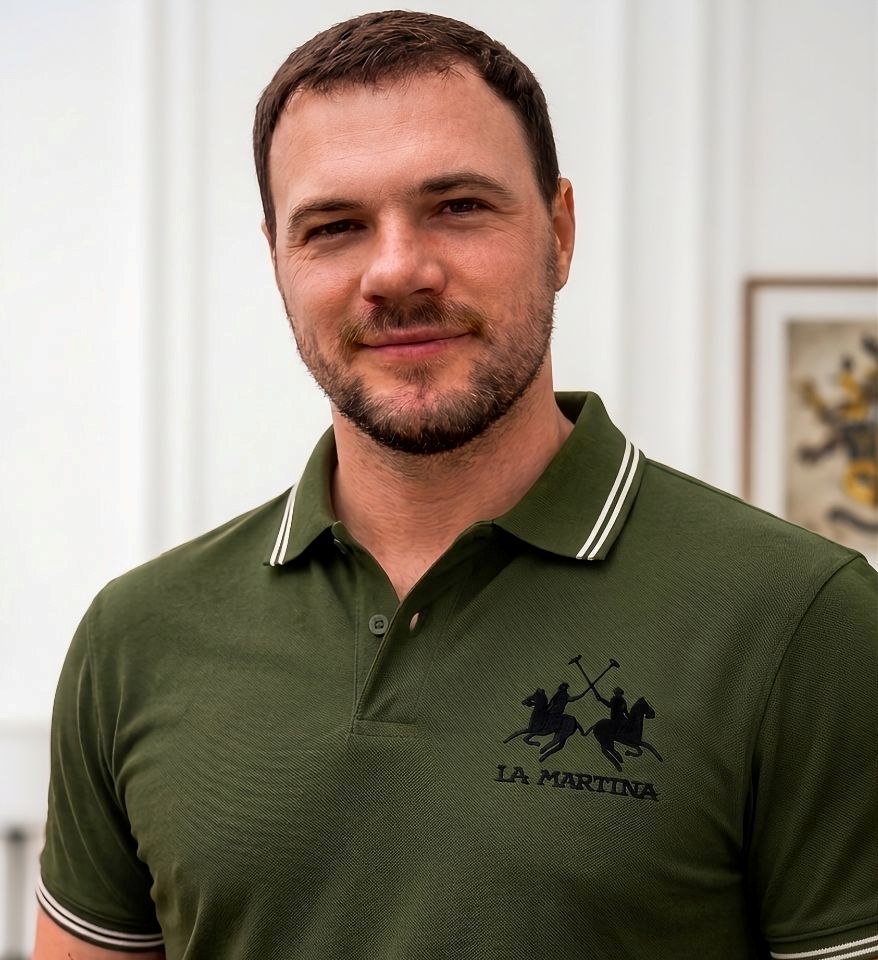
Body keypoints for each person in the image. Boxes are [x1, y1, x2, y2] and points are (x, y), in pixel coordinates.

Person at [34, 10, 877, 960]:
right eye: (335, 226)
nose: (398, 270)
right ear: (278, 260)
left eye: (459, 206)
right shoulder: (135, 636)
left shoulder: (804, 624)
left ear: (560, 231)